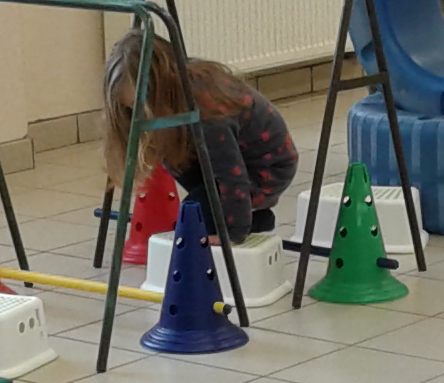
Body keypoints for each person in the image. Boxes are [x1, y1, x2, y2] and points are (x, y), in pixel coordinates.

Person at [103, 29, 299, 239]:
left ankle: (246, 219)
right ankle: (240, 214)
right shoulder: (177, 93)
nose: (138, 114)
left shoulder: (207, 109)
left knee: (193, 217)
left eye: (140, 106)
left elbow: (230, 173)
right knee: (176, 158)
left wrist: (234, 233)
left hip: (268, 168)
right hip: (233, 159)